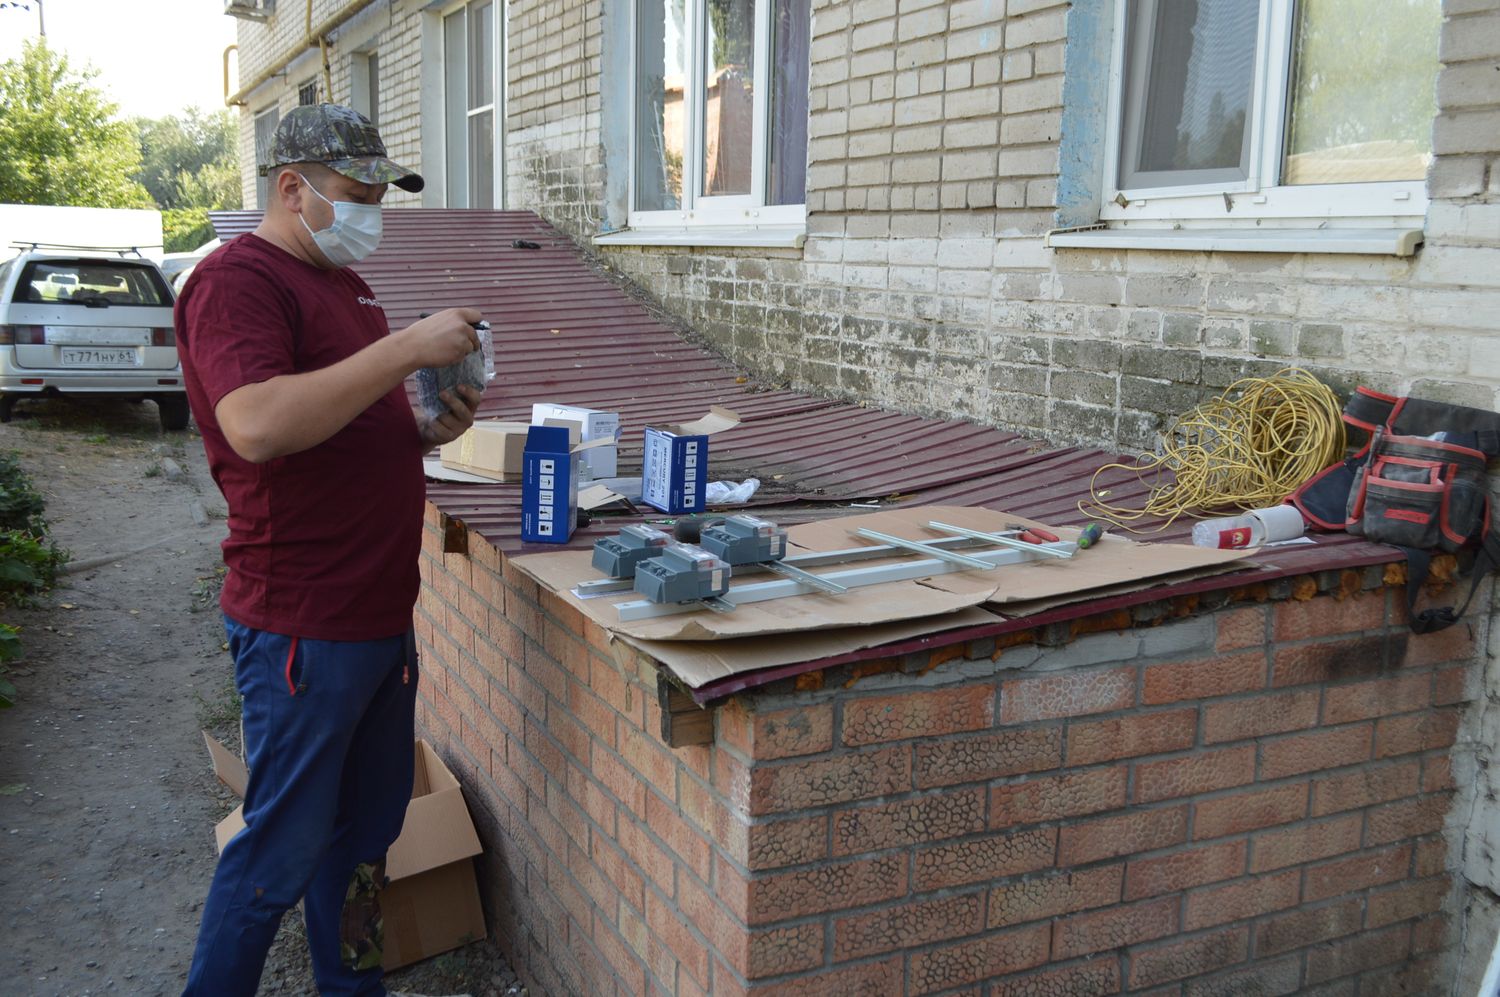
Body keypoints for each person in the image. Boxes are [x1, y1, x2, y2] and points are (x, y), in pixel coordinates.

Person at [175, 103, 481, 997]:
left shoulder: (343, 288)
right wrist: (402, 350)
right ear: (290, 189)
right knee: (279, 847)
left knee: (361, 842)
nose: (371, 211)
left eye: (381, 194)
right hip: (304, 625)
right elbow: (259, 425)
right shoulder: (238, 283)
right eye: (356, 194)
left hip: (377, 619)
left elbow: (340, 423)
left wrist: (427, 428)